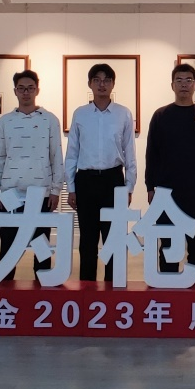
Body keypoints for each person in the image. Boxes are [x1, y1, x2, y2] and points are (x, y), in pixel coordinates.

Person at [145, 63, 195, 282]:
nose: (184, 85)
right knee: (168, 246)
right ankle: (168, 290)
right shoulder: (161, 115)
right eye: (179, 80)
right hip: (167, 193)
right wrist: (150, 186)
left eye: (188, 80)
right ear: (172, 85)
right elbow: (152, 153)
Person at [0, 69, 64, 280]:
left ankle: (43, 286)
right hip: (10, 193)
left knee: (41, 246)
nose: (26, 92)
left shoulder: (50, 120)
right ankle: (4, 287)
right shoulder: (5, 122)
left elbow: (56, 155)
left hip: (41, 193)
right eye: (21, 88)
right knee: (8, 245)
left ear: (37, 90)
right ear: (15, 91)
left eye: (30, 88)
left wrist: (56, 190)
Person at [65, 62, 136, 282]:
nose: (102, 84)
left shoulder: (123, 114)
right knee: (87, 239)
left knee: (113, 238)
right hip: (85, 180)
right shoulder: (80, 114)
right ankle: (87, 288)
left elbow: (130, 153)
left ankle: (112, 289)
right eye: (97, 80)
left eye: (106, 80)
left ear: (113, 84)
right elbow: (72, 152)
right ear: (90, 84)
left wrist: (129, 187)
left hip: (113, 180)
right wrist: (71, 187)